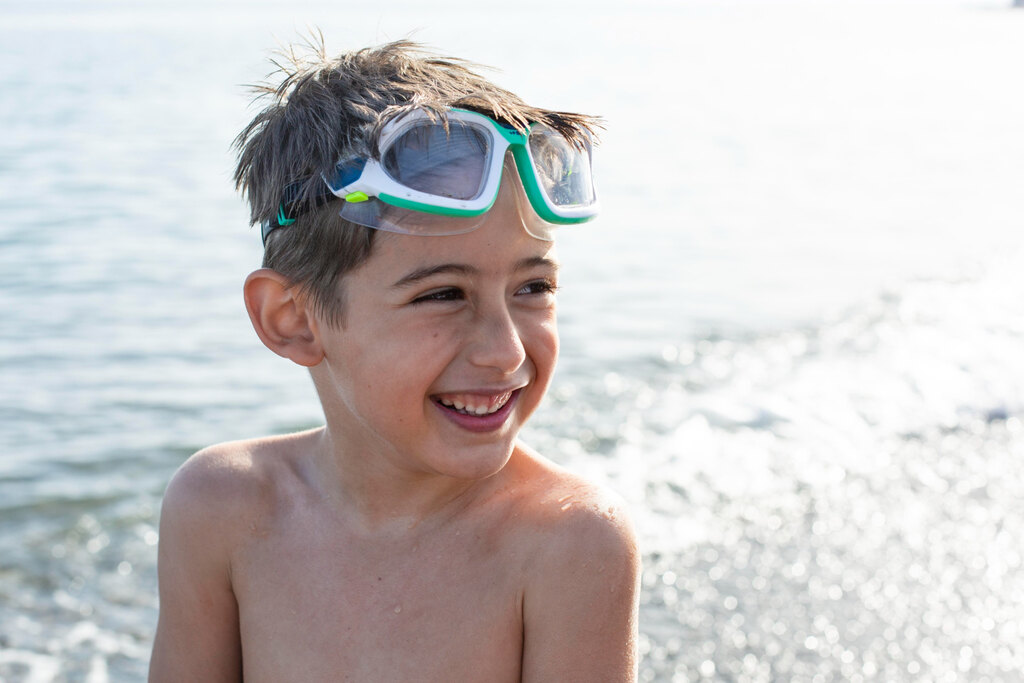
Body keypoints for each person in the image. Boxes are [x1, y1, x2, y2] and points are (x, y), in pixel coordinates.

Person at [149, 38, 640, 682]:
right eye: (443, 294)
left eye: (533, 288)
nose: (506, 351)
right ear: (291, 320)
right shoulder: (222, 509)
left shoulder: (567, 544)